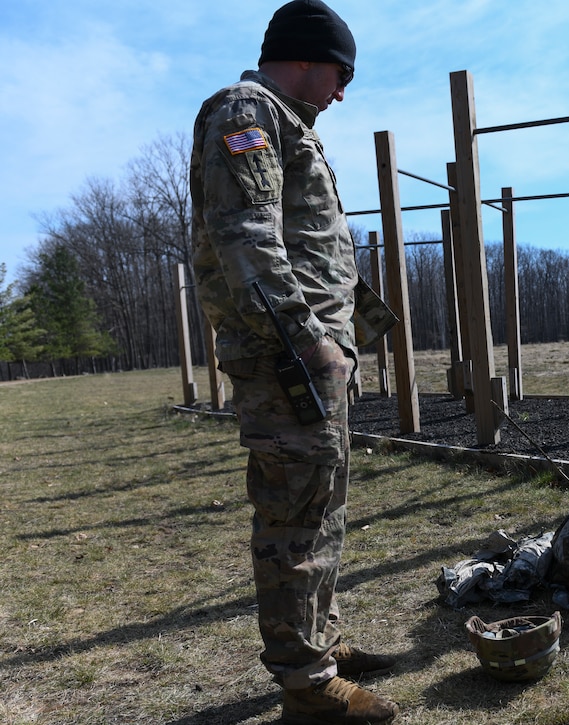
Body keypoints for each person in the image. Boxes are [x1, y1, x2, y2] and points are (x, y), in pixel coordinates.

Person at [189, 2, 399, 722]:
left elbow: (308, 245)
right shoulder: (247, 113)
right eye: (342, 75)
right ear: (308, 57)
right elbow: (249, 242)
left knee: (323, 511)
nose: (342, 92)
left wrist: (356, 328)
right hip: (288, 363)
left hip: (313, 361)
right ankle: (306, 684)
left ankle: (322, 645)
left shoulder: (286, 123)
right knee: (293, 518)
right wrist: (312, 343)